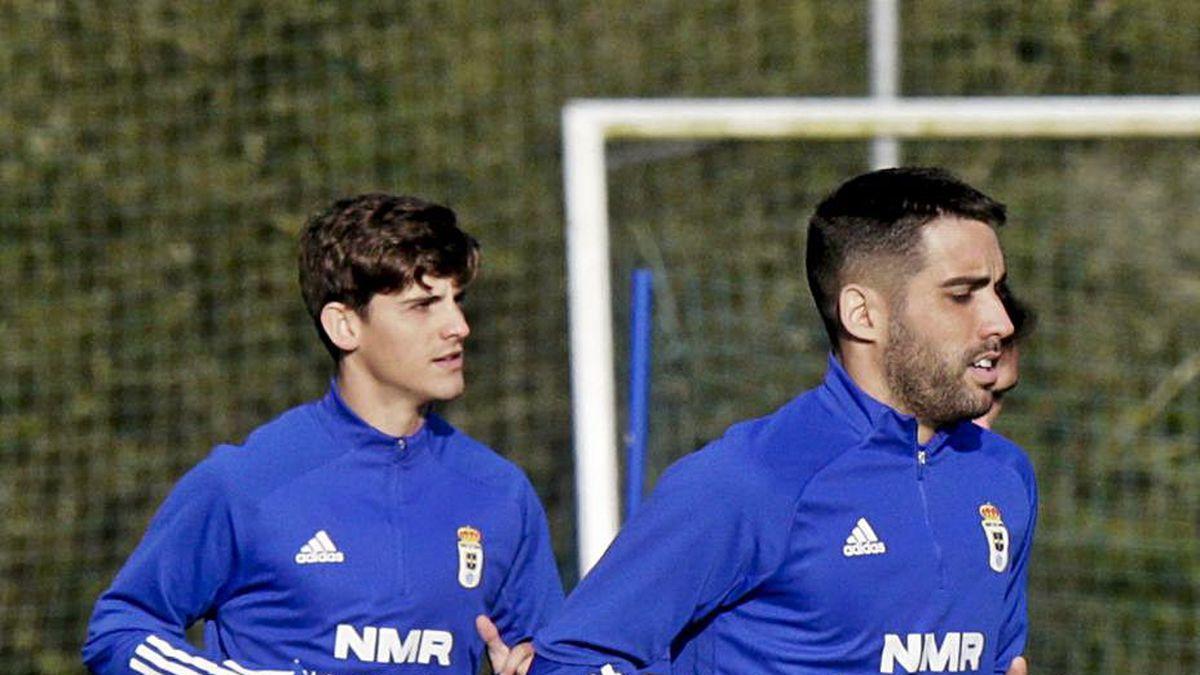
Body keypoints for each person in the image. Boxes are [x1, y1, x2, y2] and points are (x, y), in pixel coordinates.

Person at [529, 167, 1036, 675]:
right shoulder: (748, 479)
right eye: (962, 294)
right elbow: (572, 659)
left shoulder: (1002, 475)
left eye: (997, 289)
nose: (1000, 321)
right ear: (863, 314)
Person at [83, 194, 562, 675]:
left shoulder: (500, 493)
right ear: (344, 325)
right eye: (422, 306)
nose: (458, 326)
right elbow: (121, 630)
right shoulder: (247, 481)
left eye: (457, 301)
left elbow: (546, 656)